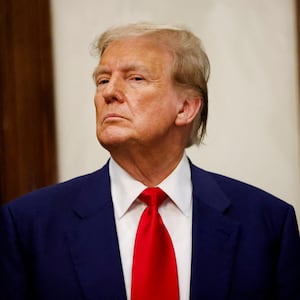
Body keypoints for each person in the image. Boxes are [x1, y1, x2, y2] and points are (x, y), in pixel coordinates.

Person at [1, 22, 300, 300]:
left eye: (135, 78)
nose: (109, 92)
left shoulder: (267, 224)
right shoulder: (29, 226)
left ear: (185, 108)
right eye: (102, 79)